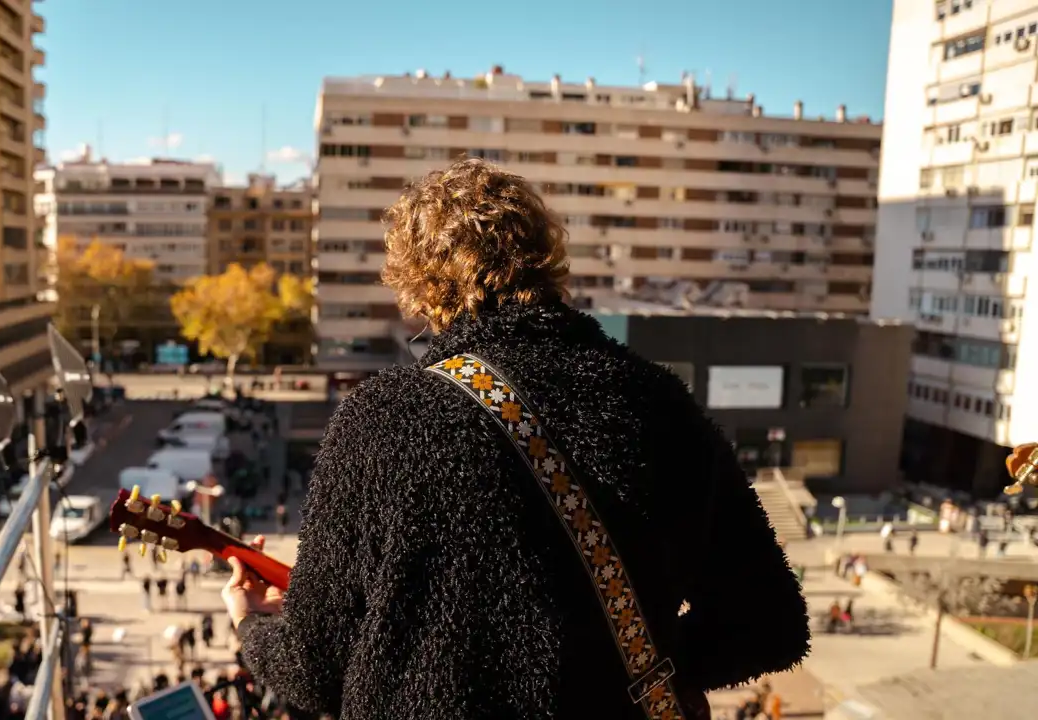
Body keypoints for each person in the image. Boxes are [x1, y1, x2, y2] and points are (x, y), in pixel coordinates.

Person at [219, 159, 809, 719]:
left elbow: (315, 670)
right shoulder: (661, 400)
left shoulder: (386, 416)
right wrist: (626, 672)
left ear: (418, 286)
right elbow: (771, 622)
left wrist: (251, 625)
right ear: (549, 262)